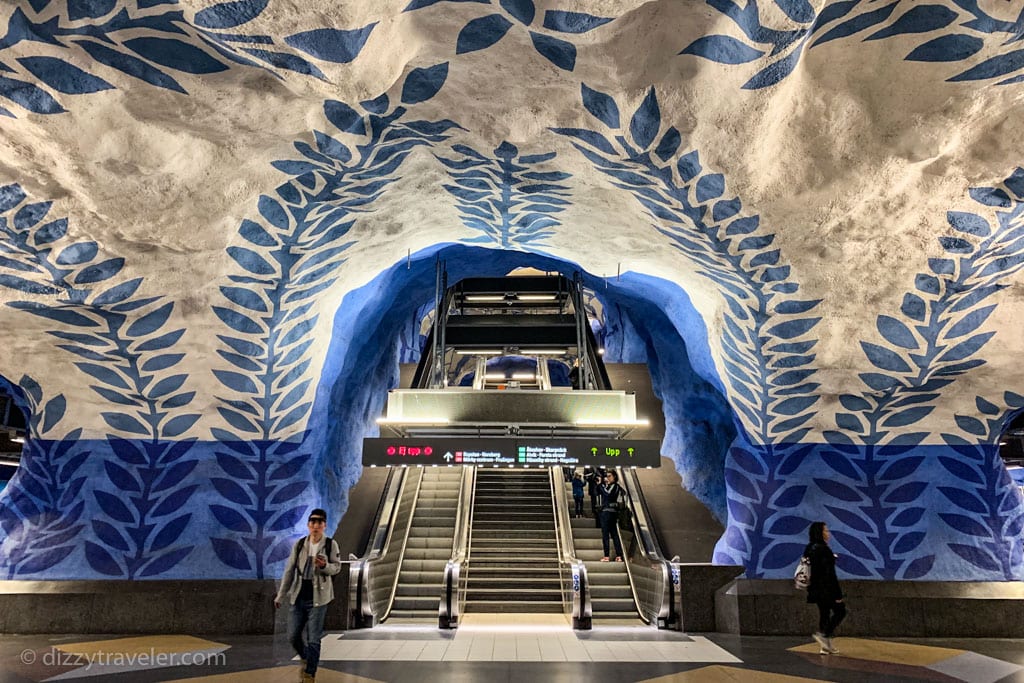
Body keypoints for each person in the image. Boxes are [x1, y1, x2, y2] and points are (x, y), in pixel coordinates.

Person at [275, 508, 342, 683]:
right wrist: (280, 595)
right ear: (308, 524)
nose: (315, 525)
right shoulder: (299, 544)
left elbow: (337, 567)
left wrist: (324, 566)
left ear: (324, 525)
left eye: (319, 522)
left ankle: (309, 673)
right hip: (299, 595)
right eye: (313, 522)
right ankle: (306, 656)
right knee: (293, 636)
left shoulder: (330, 545)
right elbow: (289, 571)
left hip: (319, 597)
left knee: (314, 637)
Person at [804, 521, 845, 655]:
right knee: (840, 611)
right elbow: (829, 574)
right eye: (826, 531)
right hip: (827, 589)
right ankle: (825, 635)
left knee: (824, 613)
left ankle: (825, 646)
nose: (828, 533)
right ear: (820, 533)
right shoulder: (824, 549)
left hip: (814, 588)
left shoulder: (810, 548)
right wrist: (838, 594)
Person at [597, 470, 625, 562]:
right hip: (612, 513)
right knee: (614, 534)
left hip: (607, 513)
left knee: (606, 534)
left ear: (614, 477)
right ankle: (619, 555)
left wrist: (601, 485)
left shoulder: (614, 486)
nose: (607, 478)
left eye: (609, 476)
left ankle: (607, 556)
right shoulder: (614, 486)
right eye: (607, 476)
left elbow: (607, 494)